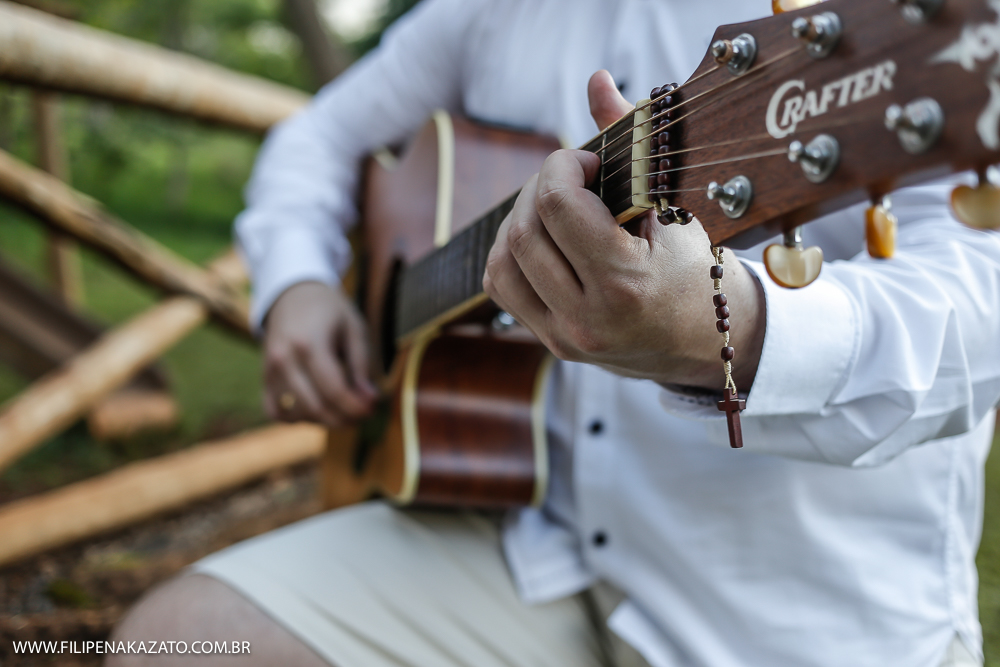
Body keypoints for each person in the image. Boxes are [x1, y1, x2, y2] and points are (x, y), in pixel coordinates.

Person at [109, 1, 1000, 666]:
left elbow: (977, 316)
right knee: (171, 643)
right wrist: (299, 285)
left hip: (793, 620)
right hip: (536, 543)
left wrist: (722, 329)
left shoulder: (916, 42)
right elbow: (317, 138)